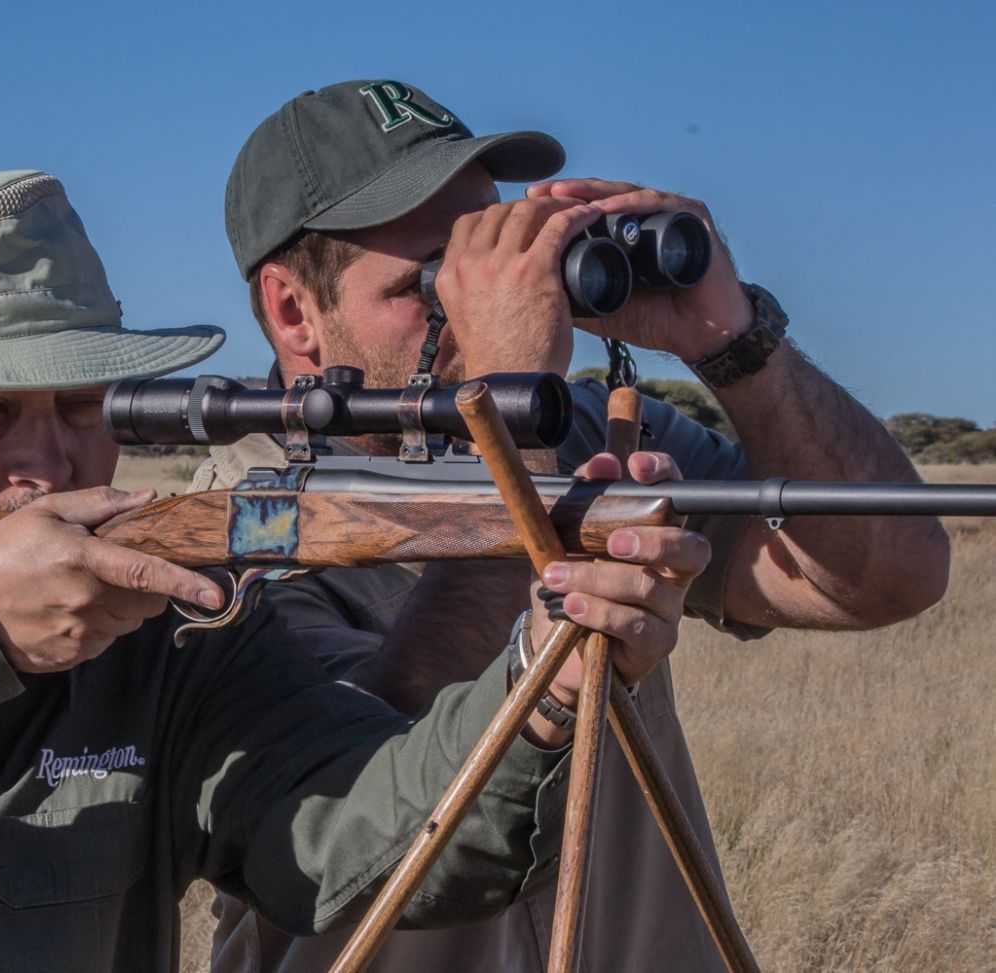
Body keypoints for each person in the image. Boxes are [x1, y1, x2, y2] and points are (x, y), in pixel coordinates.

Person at [0, 169, 702, 973]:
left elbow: (355, 847)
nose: (47, 464)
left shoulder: (158, 609)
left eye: (83, 410)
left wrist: (540, 686)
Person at [203, 81, 951, 972]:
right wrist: (511, 422)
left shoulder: (587, 427)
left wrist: (732, 339)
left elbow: (888, 576)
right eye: (436, 278)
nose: (486, 300)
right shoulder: (227, 523)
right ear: (293, 310)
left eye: (493, 253)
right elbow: (366, 793)